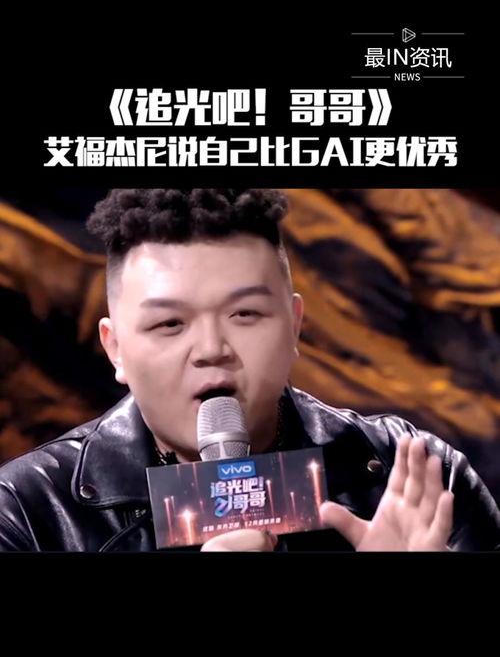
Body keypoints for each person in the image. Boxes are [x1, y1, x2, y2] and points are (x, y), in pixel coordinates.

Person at [0, 188, 499, 552]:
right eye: (169, 323)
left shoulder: (415, 480)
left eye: (244, 314)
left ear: (295, 325)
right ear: (116, 350)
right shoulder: (27, 510)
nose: (211, 349)